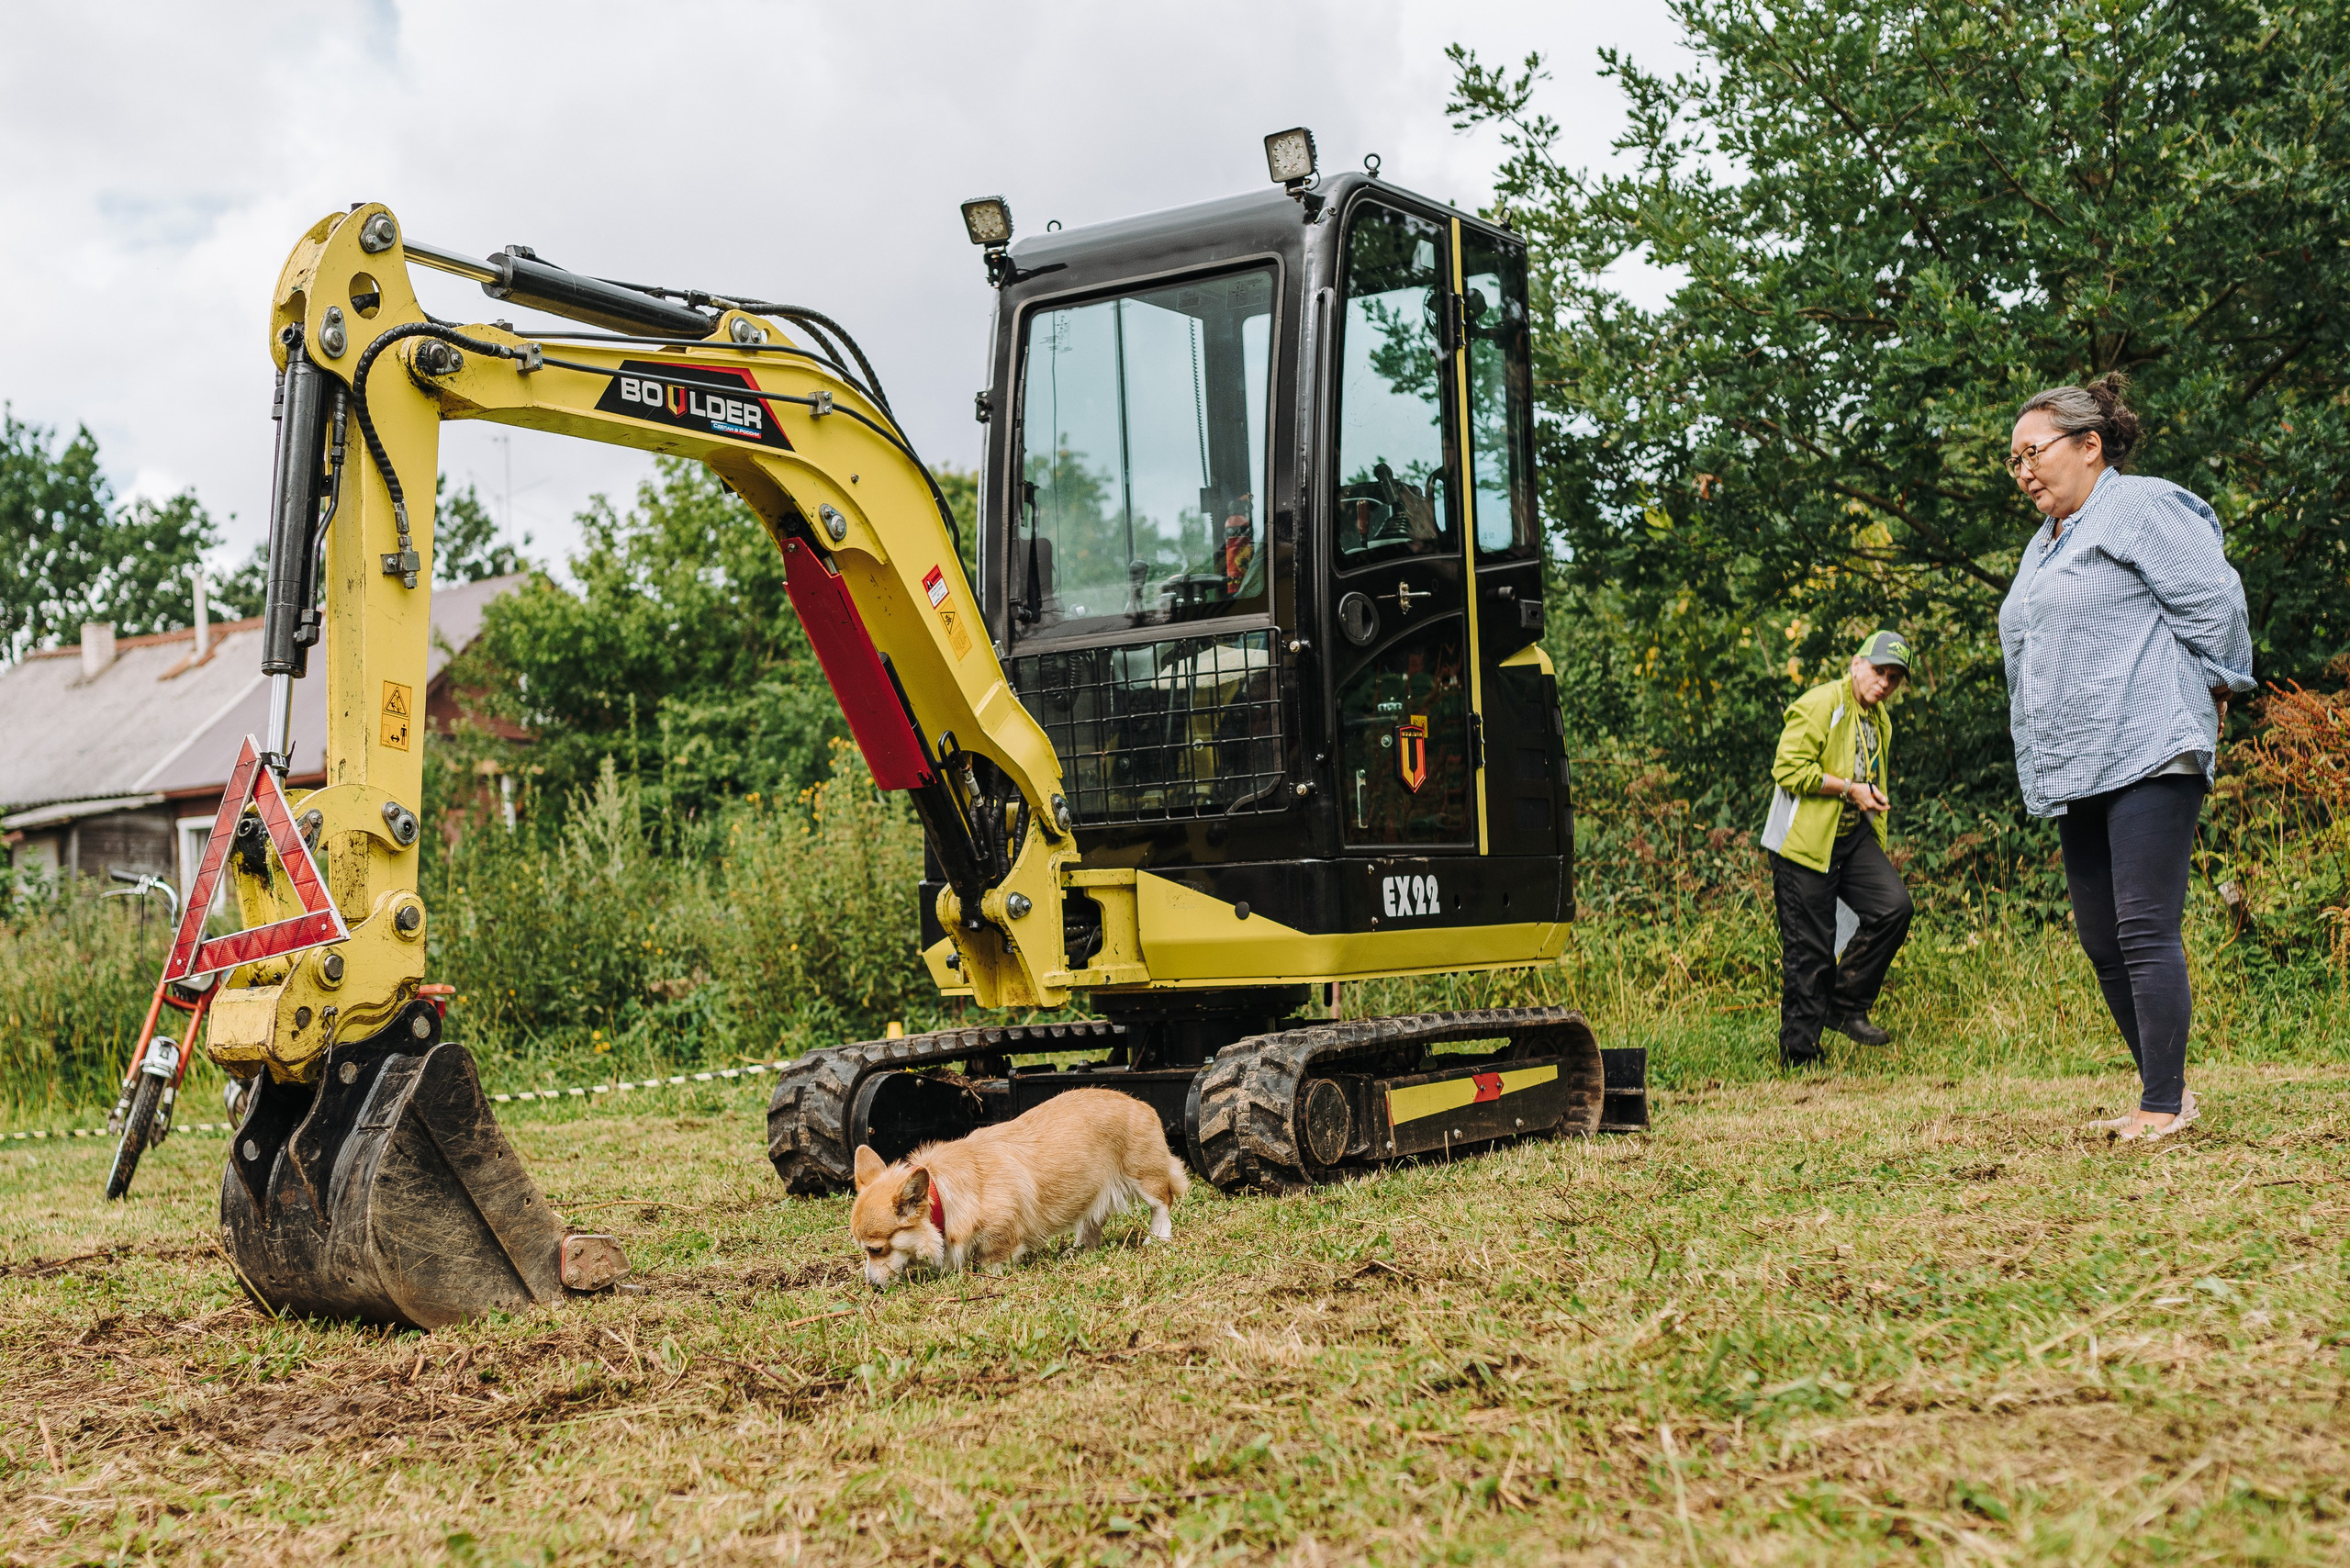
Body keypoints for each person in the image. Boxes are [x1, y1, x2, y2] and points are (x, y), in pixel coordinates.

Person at [1998, 374, 2253, 1143]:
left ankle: (2164, 1106)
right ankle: (2164, 1090)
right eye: (2013, 462)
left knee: (2144, 928)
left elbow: (2216, 596)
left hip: (2147, 741)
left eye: (2032, 452)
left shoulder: (2137, 506)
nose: (2024, 471)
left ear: (2088, 445)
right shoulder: (2045, 544)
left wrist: (2218, 682)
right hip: (2077, 759)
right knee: (2103, 939)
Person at [1760, 630, 1917, 1066]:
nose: (1884, 683)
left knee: (1894, 907)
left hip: (1850, 838)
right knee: (1811, 948)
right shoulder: (1821, 703)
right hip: (1803, 845)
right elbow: (1788, 769)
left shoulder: (1878, 717)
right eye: (1878, 671)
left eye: (1894, 678)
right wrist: (1851, 789)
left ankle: (1844, 1004)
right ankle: (1800, 1055)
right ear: (1855, 665)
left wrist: (1869, 797)